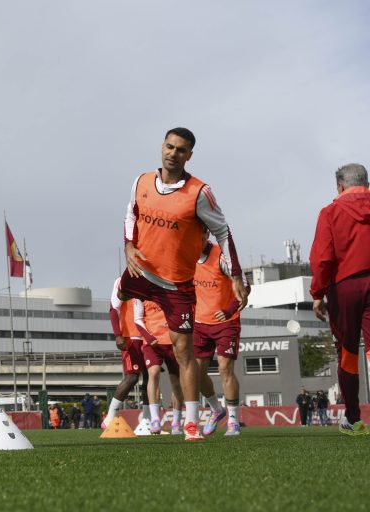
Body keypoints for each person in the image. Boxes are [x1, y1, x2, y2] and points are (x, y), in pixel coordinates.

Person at [119, 127, 248, 441]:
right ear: (162, 147)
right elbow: (131, 214)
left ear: (189, 155)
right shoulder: (141, 181)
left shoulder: (200, 193)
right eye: (169, 146)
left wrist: (236, 275)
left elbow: (224, 232)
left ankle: (191, 423)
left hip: (175, 284)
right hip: (140, 271)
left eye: (181, 150)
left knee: (183, 352)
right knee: (119, 295)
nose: (173, 154)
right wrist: (128, 245)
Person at [310, 163, 370, 436]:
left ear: (340, 186)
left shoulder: (330, 212)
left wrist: (317, 294)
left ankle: (354, 419)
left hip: (344, 285)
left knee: (348, 353)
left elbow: (322, 258)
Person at [193, 229, 250, 436]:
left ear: (205, 235)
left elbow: (245, 285)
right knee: (196, 374)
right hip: (199, 323)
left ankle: (233, 420)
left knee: (225, 368)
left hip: (226, 322)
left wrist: (228, 310)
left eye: (196, 237)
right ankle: (216, 409)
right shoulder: (186, 256)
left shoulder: (221, 257)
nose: (192, 242)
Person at [102, 277, 152, 430]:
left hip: (150, 336)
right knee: (132, 377)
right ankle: (110, 417)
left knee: (150, 379)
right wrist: (118, 335)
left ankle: (147, 420)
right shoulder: (122, 280)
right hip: (131, 336)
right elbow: (113, 309)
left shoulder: (154, 279)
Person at [140, 299, 185, 435]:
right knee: (153, 374)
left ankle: (176, 421)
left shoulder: (171, 289)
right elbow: (137, 320)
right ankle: (155, 419)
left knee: (176, 382)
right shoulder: (142, 293)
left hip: (173, 341)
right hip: (152, 343)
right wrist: (148, 337)